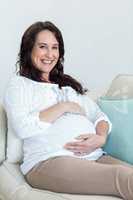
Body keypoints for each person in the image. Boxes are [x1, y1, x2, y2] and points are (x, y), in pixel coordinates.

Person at [4, 21, 133, 200]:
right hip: (49, 161)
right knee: (124, 177)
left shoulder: (67, 87)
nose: (50, 54)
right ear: (29, 49)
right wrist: (63, 107)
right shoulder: (19, 85)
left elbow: (99, 116)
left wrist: (100, 137)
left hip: (93, 156)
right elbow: (22, 127)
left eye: (55, 48)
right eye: (43, 47)